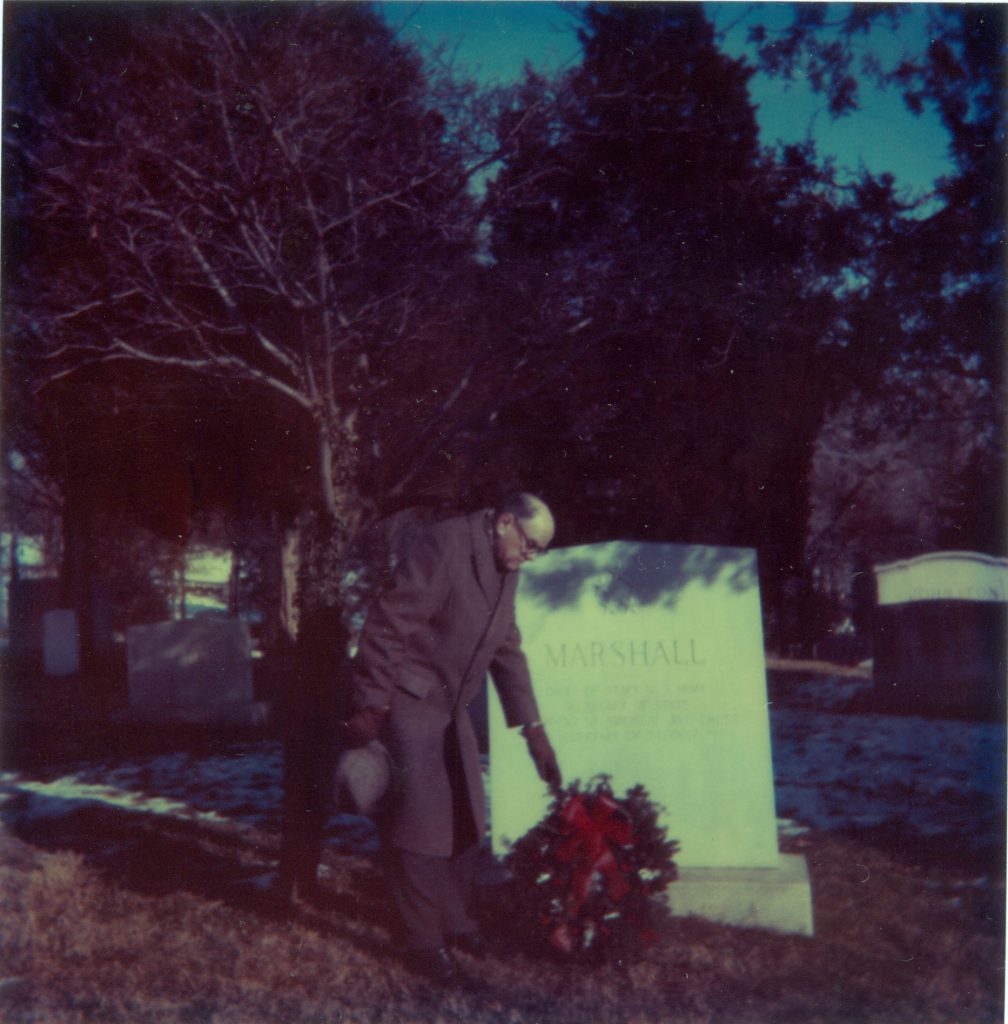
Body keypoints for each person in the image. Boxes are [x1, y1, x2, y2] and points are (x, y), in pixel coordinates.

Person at [342, 492, 562, 983]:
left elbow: (507, 646)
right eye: (530, 545)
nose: (531, 557)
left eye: (539, 551)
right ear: (504, 521)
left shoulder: (507, 564)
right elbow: (387, 623)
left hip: (448, 706)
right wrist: (372, 704)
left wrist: (534, 731)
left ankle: (456, 923)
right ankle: (421, 943)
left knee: (465, 816)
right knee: (418, 825)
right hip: (404, 699)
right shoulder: (443, 545)